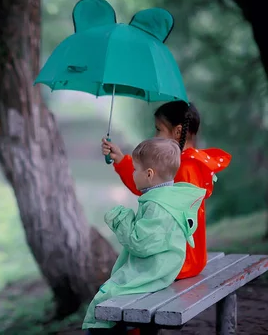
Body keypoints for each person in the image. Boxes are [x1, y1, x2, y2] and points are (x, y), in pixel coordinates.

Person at [83, 138, 206, 334]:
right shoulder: (168, 198)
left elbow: (139, 243)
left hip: (153, 272)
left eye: (134, 169)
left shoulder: (157, 207)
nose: (132, 173)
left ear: (149, 174)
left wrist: (120, 219)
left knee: (106, 297)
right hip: (163, 268)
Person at [101, 101, 231, 279]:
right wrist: (121, 160)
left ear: (177, 132)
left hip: (179, 261)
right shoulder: (186, 163)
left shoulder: (185, 169)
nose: (155, 136)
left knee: (128, 274)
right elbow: (149, 186)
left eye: (159, 129)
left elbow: (149, 188)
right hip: (191, 258)